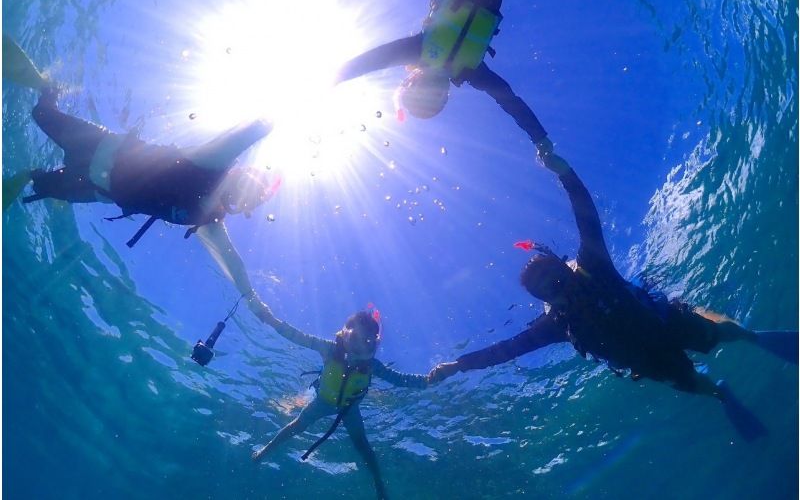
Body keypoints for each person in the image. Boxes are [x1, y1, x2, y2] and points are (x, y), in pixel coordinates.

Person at [428, 148, 798, 439]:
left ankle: (752, 336)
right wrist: (459, 365)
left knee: (718, 334)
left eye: (558, 278)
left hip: (665, 322)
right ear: (545, 302)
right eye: (549, 291)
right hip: (647, 361)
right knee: (689, 382)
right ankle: (721, 393)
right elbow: (506, 350)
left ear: (566, 267)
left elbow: (586, 216)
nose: (560, 289)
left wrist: (565, 172)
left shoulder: (594, 266)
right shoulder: (556, 325)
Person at [335, 0, 679, 148]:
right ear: (446, 96)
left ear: (411, 81)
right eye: (437, 98)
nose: (434, 89)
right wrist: (541, 141)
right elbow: (511, 102)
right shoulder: (471, 71)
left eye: (423, 91)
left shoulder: (418, 49)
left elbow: (369, 61)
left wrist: (329, 80)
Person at [2, 35, 279, 300]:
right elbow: (249, 132)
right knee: (41, 114)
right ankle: (48, 88)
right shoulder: (213, 163)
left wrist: (259, 308)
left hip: (93, 189)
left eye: (244, 203)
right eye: (246, 190)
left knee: (39, 182)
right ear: (237, 173)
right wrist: (273, 116)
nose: (238, 199)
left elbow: (234, 266)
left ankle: (30, 175)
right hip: (99, 147)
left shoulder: (208, 222)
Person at [247, 301, 429, 500]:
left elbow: (400, 379)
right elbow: (297, 336)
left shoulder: (372, 365)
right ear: (344, 334)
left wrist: (430, 379)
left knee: (362, 445)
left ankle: (379, 485)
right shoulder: (329, 349)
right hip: (322, 402)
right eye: (355, 338)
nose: (359, 346)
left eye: (366, 341)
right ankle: (265, 451)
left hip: (349, 409)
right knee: (297, 426)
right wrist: (271, 320)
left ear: (374, 344)